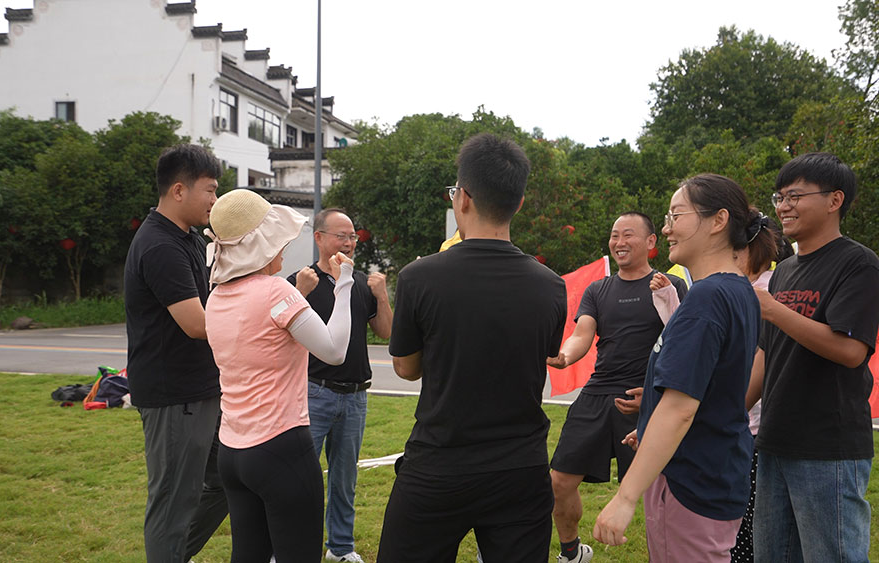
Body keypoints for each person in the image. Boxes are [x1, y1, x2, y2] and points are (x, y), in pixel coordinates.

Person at [376, 133, 567, 562]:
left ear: (462, 198)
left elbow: (405, 368)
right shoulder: (551, 287)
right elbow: (536, 356)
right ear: (518, 203)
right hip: (520, 466)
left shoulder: (420, 277)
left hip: (440, 461)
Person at [593, 173, 775, 562]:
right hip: (714, 469)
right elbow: (711, 387)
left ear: (718, 220)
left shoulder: (707, 298)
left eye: (676, 215)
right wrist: (649, 421)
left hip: (691, 479)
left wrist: (625, 498)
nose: (666, 227)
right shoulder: (737, 289)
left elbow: (681, 408)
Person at [204, 188, 356, 562]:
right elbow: (334, 350)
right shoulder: (275, 291)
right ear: (263, 246)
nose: (284, 251)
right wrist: (346, 283)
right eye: (278, 242)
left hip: (233, 450)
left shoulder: (216, 297)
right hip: (281, 445)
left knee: (249, 554)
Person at [752, 152, 879, 563]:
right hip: (774, 439)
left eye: (794, 195)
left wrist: (773, 309)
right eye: (779, 197)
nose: (783, 206)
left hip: (828, 446)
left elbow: (850, 350)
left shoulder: (857, 263)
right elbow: (765, 354)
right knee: (771, 555)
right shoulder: (786, 269)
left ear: (834, 200)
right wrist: (723, 416)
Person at [546, 211, 687, 563]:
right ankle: (571, 552)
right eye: (614, 236)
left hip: (648, 397)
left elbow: (683, 342)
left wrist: (655, 397)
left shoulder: (670, 285)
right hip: (599, 393)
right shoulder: (598, 289)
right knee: (559, 483)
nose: (619, 242)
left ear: (652, 242)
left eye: (628, 235)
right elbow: (583, 334)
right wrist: (565, 357)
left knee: (664, 494)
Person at [124, 144, 228, 563]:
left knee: (226, 480)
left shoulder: (186, 238)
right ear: (180, 190)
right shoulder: (159, 246)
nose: (216, 201)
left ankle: (172, 556)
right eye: (211, 190)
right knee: (173, 502)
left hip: (202, 390)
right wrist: (256, 322)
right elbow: (197, 323)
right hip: (175, 397)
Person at [287, 208, 393, 563]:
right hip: (313, 391)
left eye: (353, 237)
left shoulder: (362, 282)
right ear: (318, 238)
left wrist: (382, 296)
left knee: (345, 479)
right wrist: (300, 293)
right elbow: (277, 333)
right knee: (299, 478)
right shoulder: (301, 281)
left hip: (355, 395)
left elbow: (387, 333)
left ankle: (341, 548)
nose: (349, 243)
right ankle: (290, 548)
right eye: (341, 236)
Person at [730, 220, 789, 563]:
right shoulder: (746, 287)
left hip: (753, 424)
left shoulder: (764, 292)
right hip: (747, 423)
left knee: (748, 526)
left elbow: (758, 360)